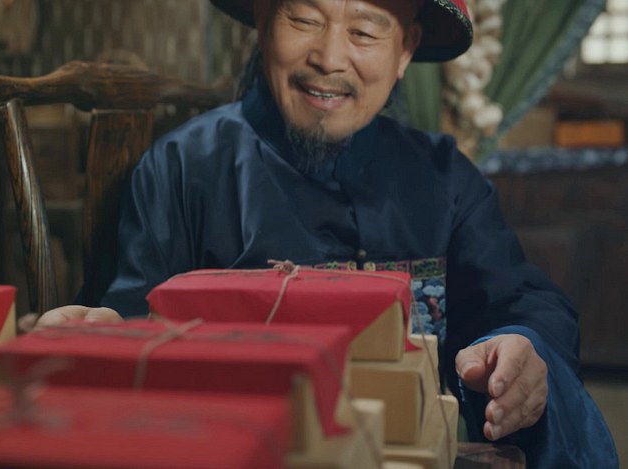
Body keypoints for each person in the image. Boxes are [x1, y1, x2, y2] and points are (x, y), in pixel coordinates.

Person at [34, 0, 618, 466]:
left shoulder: (444, 177)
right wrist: (105, 335)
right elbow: (133, 312)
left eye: (364, 31)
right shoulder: (184, 168)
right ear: (264, 20)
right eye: (303, 18)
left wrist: (520, 346)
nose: (330, 58)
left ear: (405, 50)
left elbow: (520, 298)